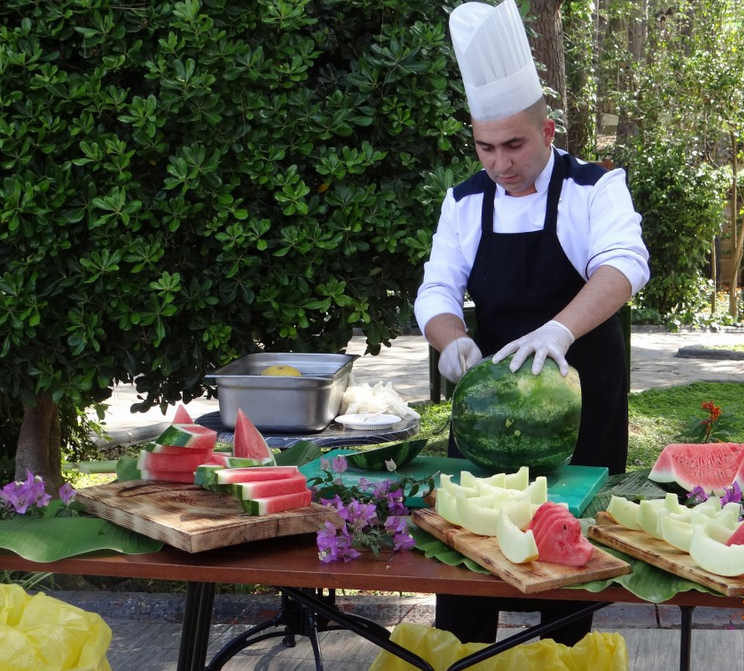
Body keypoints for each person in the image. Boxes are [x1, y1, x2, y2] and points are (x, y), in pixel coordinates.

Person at [414, 0, 650, 646]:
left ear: (547, 130)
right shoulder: (463, 202)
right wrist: (451, 340)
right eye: (485, 147)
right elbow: (436, 289)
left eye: (514, 145)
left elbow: (625, 265)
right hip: (489, 419)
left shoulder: (594, 188)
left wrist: (558, 331)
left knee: (566, 589)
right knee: (465, 577)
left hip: (582, 411)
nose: (500, 163)